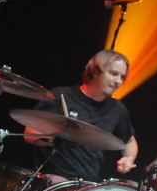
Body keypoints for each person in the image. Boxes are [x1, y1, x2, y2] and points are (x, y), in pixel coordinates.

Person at [24, 49, 138, 182]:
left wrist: (128, 159)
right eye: (113, 74)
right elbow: (29, 134)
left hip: (89, 184)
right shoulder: (61, 96)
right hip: (54, 178)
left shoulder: (118, 109)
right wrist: (57, 138)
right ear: (95, 71)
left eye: (122, 77)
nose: (118, 81)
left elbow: (130, 141)